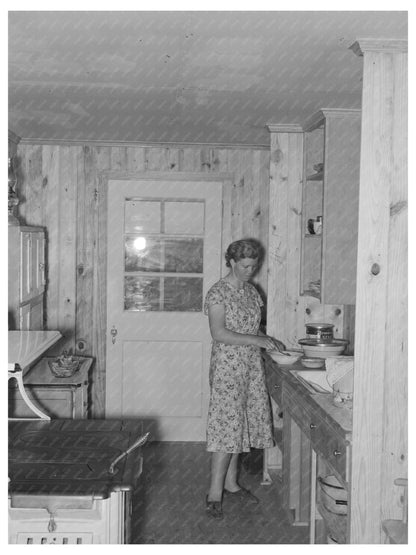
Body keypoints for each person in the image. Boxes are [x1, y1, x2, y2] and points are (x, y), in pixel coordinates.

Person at [203, 238, 285, 519]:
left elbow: (253, 324)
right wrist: (258, 339)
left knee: (242, 425)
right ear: (232, 262)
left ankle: (231, 483)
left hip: (250, 365)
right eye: (245, 266)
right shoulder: (217, 293)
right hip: (227, 366)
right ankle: (214, 492)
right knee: (227, 426)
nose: (250, 270)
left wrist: (269, 339)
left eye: (254, 266)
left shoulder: (252, 292)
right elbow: (219, 333)